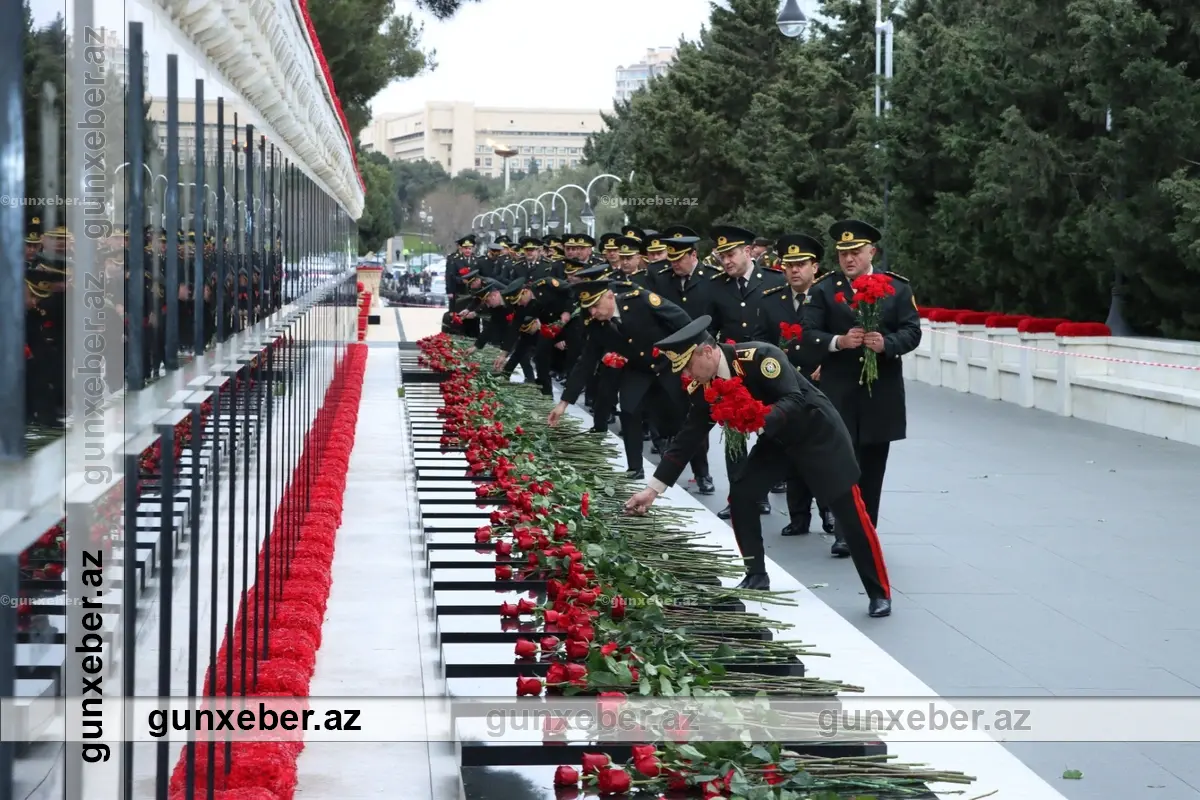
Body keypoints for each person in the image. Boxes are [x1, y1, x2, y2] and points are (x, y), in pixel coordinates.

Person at [623, 316, 893, 617]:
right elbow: (688, 438)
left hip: (816, 434)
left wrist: (761, 417)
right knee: (741, 494)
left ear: (707, 352)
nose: (686, 374)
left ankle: (878, 591)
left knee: (849, 511)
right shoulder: (703, 386)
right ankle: (756, 574)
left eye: (687, 366)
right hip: (778, 443)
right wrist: (652, 490)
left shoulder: (759, 357)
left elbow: (795, 398)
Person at [802, 220, 921, 538]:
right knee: (841, 461)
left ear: (872, 251)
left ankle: (865, 530)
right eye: (843, 254)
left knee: (872, 465)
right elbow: (807, 332)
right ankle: (845, 532)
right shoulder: (824, 289)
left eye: (855, 252)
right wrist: (838, 341)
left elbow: (912, 331)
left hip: (880, 392)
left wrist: (886, 344)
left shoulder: (896, 288)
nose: (849, 259)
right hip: (838, 391)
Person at [547, 270, 703, 481]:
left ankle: (702, 472)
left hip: (668, 364)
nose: (592, 312)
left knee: (685, 416)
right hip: (636, 369)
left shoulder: (641, 301)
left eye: (595, 305)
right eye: (588, 308)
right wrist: (563, 403)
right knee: (629, 411)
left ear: (610, 296)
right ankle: (634, 467)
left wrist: (697, 358)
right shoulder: (596, 326)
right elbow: (585, 362)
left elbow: (682, 321)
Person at [761, 234, 836, 536]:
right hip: (786, 388)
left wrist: (827, 367)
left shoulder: (829, 298)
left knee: (822, 454)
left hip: (822, 386)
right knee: (792, 452)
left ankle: (829, 512)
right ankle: (798, 516)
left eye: (801, 264)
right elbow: (760, 342)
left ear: (815, 267)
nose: (794, 270)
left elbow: (839, 338)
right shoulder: (770, 302)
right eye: (789, 265)